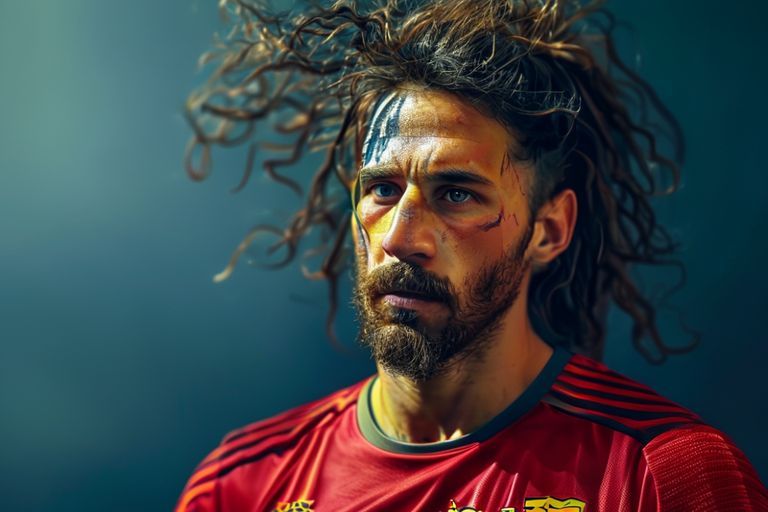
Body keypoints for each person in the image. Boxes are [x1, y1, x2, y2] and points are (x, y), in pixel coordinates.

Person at [176, 0, 768, 510]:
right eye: (382, 190)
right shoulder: (242, 485)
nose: (401, 238)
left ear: (549, 230)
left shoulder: (665, 477)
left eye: (456, 194)